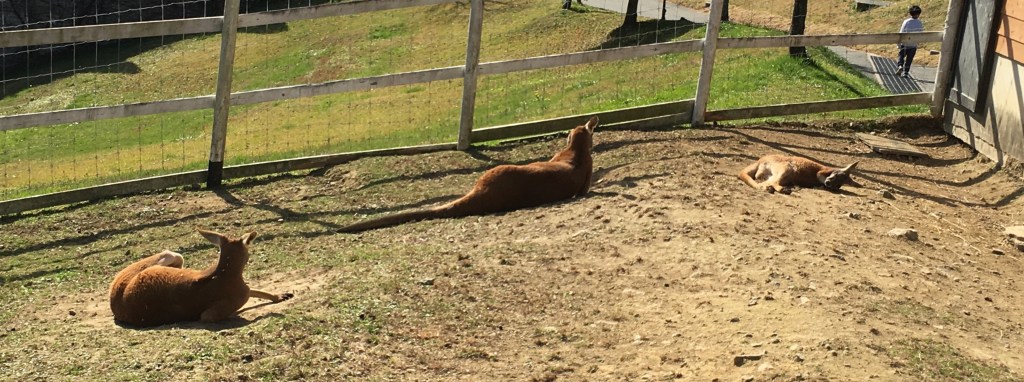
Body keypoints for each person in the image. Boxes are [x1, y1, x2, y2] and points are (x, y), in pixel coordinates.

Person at [895, 5, 924, 78]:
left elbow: (901, 32)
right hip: (913, 44)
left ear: (910, 13)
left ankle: (900, 66)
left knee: (901, 56)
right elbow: (920, 33)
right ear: (918, 14)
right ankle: (905, 72)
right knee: (909, 59)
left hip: (904, 43)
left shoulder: (906, 22)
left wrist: (898, 44)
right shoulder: (919, 23)